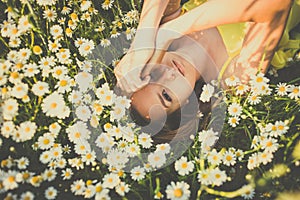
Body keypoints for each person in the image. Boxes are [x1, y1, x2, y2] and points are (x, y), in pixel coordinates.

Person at [114, 0, 300, 142]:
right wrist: (169, 31)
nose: (168, 74)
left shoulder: (167, 22)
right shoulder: (234, 78)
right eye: (166, 95)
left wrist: (143, 38)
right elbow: (275, 4)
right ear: (187, 104)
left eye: (151, 74)